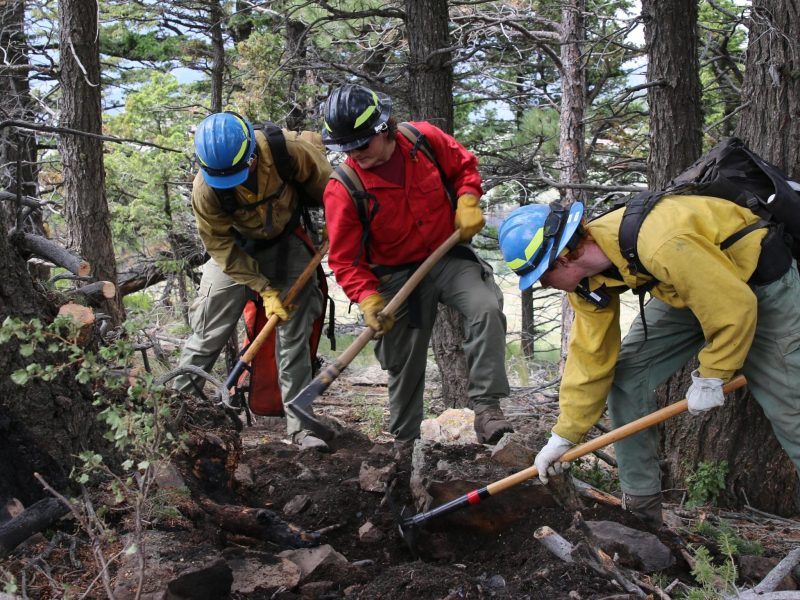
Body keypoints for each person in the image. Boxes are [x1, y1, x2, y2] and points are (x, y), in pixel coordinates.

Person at [498, 198, 800, 527]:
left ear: (563, 258)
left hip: (760, 282)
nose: (542, 285)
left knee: (792, 410)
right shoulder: (588, 282)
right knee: (628, 377)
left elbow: (735, 306)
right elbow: (591, 357)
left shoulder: (660, 243)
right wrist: (564, 436)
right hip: (688, 286)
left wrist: (713, 373)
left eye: (541, 276)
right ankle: (642, 513)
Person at [320, 83, 513, 448]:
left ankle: (488, 410)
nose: (354, 154)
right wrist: (367, 298)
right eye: (346, 148)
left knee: (485, 308)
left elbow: (464, 166)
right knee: (402, 358)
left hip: (446, 255)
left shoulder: (423, 140)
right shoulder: (343, 188)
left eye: (361, 145)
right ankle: (405, 443)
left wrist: (468, 198)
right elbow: (345, 260)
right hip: (394, 276)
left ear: (383, 129)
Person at [174, 111, 333, 451]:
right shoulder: (205, 189)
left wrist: (338, 223)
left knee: (294, 331)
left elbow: (332, 191)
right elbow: (219, 246)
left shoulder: (289, 151)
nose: (231, 183)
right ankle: (173, 417)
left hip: (286, 240)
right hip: (235, 250)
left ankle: (301, 427)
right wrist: (262, 287)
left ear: (252, 155)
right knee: (208, 332)